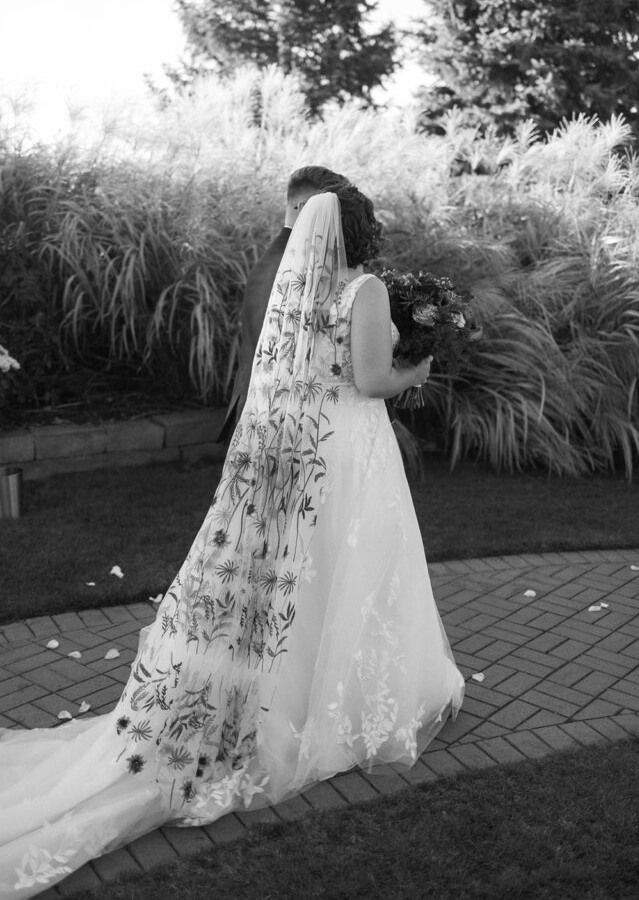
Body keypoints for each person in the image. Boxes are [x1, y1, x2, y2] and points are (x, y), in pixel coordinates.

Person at [0, 187, 465, 899]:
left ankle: (291, 692)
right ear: (362, 231)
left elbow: (286, 376)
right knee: (351, 569)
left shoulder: (292, 287)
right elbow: (371, 379)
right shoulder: (364, 288)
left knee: (295, 577)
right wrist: (418, 370)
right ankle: (329, 702)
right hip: (344, 451)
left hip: (289, 453)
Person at [216, 165, 349, 446]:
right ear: (302, 207)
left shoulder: (290, 255)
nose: (337, 222)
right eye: (330, 212)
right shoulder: (288, 263)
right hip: (273, 414)